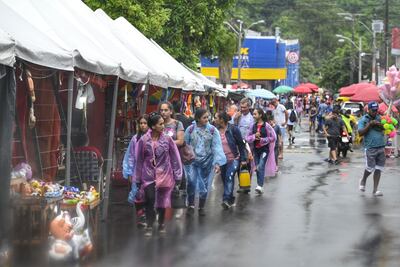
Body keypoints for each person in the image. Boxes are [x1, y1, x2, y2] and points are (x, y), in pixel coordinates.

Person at [135, 112, 182, 236]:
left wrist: (178, 175)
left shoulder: (168, 139)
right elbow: (139, 159)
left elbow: (175, 157)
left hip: (165, 174)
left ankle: (161, 223)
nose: (163, 126)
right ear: (153, 126)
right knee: (150, 199)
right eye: (160, 124)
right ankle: (150, 225)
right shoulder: (143, 140)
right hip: (148, 175)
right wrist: (137, 177)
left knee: (162, 201)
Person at [184, 108, 226, 216]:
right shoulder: (190, 130)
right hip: (192, 162)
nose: (207, 119)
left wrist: (217, 163)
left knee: (204, 186)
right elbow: (185, 145)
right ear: (198, 118)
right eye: (204, 117)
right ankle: (191, 205)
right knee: (191, 182)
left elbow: (217, 146)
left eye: (208, 117)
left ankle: (201, 206)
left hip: (207, 162)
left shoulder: (213, 130)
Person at [214, 111, 247, 209]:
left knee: (229, 176)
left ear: (222, 120)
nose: (214, 119)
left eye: (216, 117)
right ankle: (230, 198)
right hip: (222, 160)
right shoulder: (215, 130)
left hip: (234, 159)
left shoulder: (233, 129)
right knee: (225, 180)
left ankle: (225, 200)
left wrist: (243, 159)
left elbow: (241, 144)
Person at [159, 101, 186, 219]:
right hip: (160, 160)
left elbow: (180, 141)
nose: (163, 112)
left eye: (166, 110)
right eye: (161, 110)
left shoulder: (177, 124)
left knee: (176, 182)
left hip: (174, 159)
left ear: (171, 111)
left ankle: (175, 203)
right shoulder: (157, 123)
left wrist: (165, 143)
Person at [122, 115, 148, 228]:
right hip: (137, 172)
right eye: (141, 123)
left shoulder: (154, 137)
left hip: (150, 172)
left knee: (149, 194)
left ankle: (146, 216)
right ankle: (142, 216)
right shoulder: (135, 139)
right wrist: (129, 172)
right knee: (137, 194)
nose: (142, 125)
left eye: (145, 123)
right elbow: (131, 156)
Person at [357, 102, 386, 196]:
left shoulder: (379, 117)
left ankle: (375, 190)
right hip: (370, 147)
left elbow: (384, 129)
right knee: (370, 168)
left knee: (379, 168)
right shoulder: (363, 119)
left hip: (381, 146)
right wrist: (370, 124)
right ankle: (363, 180)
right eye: (373, 110)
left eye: (376, 110)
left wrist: (381, 125)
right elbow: (360, 133)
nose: (375, 112)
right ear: (368, 110)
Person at [246, 108, 277, 194]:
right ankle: (260, 186)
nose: (253, 115)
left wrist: (263, 140)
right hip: (256, 150)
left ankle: (260, 186)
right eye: (253, 114)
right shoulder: (253, 126)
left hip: (264, 150)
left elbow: (273, 137)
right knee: (258, 168)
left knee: (261, 166)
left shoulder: (267, 126)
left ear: (260, 115)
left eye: (255, 114)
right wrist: (254, 137)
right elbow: (247, 137)